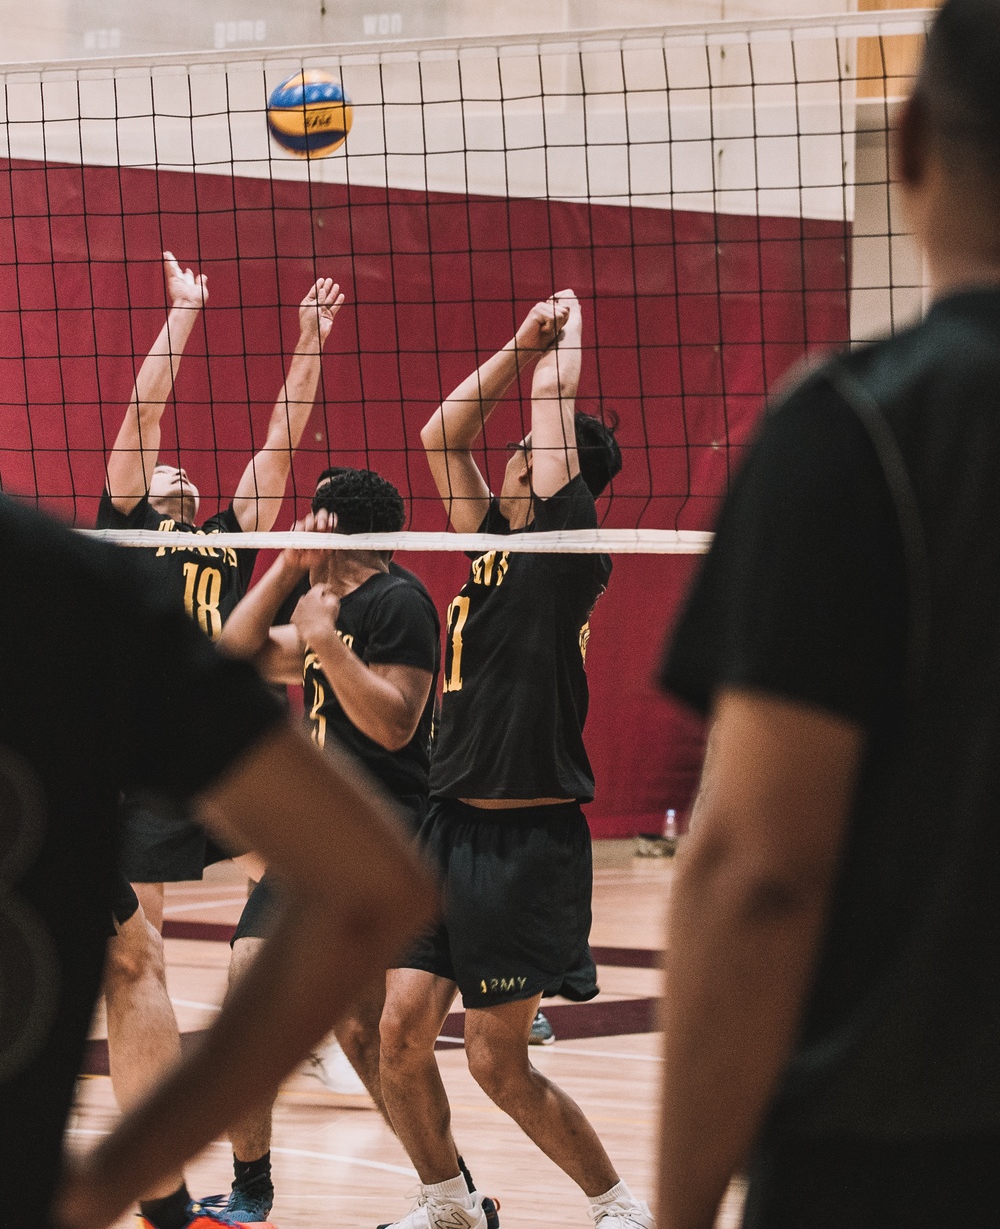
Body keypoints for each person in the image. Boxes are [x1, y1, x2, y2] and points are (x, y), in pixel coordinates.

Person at [657, 0, 1000, 1229]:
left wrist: (685, 1210)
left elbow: (756, 866)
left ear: (907, 141)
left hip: (897, 1158)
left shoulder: (857, 428)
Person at [0, 491, 437, 1229]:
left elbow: (390, 736)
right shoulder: (68, 579)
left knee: (143, 955)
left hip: (373, 813)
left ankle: (196, 1197)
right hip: (309, 820)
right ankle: (212, 1190)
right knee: (164, 959)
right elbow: (371, 887)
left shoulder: (396, 606)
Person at [378, 290, 650, 1229]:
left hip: (527, 839)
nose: (515, 451)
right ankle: (448, 1202)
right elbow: (438, 436)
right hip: (446, 825)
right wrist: (515, 343)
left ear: (561, 469)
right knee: (400, 1039)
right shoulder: (494, 542)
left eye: (533, 447)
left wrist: (562, 343)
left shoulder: (571, 549)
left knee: (497, 1061)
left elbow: (553, 409)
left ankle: (616, 1205)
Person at [217, 467, 444, 1222]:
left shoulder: (398, 600)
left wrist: (324, 641)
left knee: (366, 1034)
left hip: (386, 835)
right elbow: (232, 656)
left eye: (305, 522)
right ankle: (251, 1187)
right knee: (251, 992)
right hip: (315, 836)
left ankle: (449, 1190)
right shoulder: (320, 601)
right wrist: (282, 571)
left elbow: (395, 723)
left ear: (330, 524)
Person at [98, 250, 344, 926]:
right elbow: (144, 413)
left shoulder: (228, 535)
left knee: (295, 887)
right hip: (152, 732)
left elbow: (281, 439)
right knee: (137, 938)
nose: (176, 471)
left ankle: (289, 1010)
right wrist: (184, 312)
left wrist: (309, 342)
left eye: (183, 469)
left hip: (228, 730)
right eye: (164, 468)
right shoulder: (127, 523)